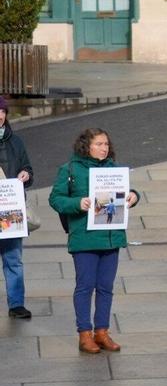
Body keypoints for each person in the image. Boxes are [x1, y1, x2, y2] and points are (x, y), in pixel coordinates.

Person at [49, 128, 137, 352]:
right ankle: (84, 334)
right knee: (85, 287)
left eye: (106, 144)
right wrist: (78, 203)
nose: (104, 148)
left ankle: (102, 332)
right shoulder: (69, 169)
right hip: (84, 238)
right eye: (99, 144)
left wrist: (134, 196)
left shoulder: (114, 169)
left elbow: (128, 191)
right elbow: (56, 199)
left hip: (111, 237)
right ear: (86, 146)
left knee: (106, 287)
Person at [0, 96, 30, 320]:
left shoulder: (16, 141)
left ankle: (16, 304)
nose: (0, 116)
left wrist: (26, 174)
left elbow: (27, 167)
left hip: (10, 209)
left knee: (13, 259)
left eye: (2, 111)